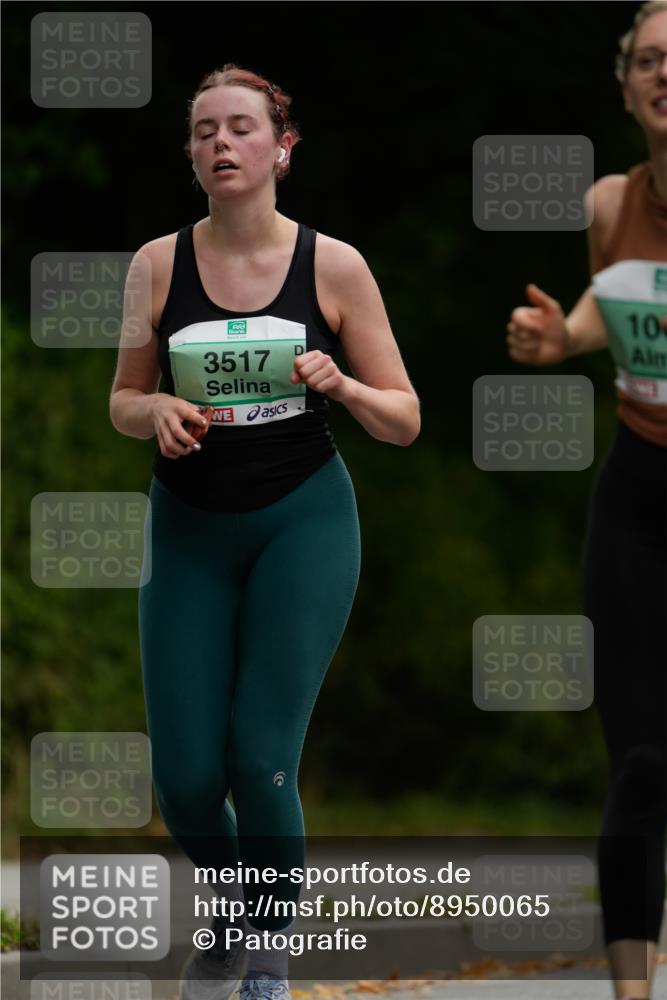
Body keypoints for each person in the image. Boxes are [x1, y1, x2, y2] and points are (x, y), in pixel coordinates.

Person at [109, 64, 420, 1000]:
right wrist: (156, 409)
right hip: (188, 529)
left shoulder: (333, 266)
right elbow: (122, 400)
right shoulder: (155, 265)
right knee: (185, 780)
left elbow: (403, 419)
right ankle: (237, 901)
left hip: (303, 523)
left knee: (260, 759)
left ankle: (266, 963)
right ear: (191, 154)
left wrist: (342, 384)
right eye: (204, 130)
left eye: (240, 127)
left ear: (281, 147)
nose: (221, 143)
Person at [506, 4, 667, 997]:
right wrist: (559, 339)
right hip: (637, 499)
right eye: (649, 60)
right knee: (640, 761)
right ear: (625, 85)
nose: (665, 74)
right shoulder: (607, 204)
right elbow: (608, 307)